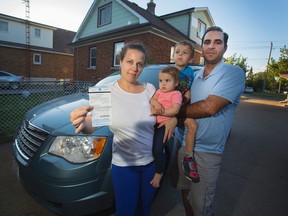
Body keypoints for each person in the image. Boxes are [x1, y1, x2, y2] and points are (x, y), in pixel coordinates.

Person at [161, 26, 246, 216]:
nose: (211, 46)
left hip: (207, 152)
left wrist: (174, 114)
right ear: (201, 46)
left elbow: (209, 107)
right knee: (185, 193)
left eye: (217, 42)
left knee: (201, 206)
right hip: (182, 145)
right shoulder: (195, 76)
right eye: (207, 42)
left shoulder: (233, 73)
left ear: (225, 47)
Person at [70, 42, 158, 216]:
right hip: (124, 167)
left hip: (150, 164)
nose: (135, 68)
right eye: (130, 61)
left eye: (140, 64)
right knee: (126, 211)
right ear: (120, 61)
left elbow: (163, 115)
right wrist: (81, 122)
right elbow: (91, 125)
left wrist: (170, 121)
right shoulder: (106, 92)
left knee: (145, 208)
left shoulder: (150, 89)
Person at [151, 40, 200, 186]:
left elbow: (190, 86)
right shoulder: (169, 72)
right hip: (167, 109)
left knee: (192, 125)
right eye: (178, 52)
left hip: (180, 105)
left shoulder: (191, 72)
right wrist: (156, 103)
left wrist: (189, 92)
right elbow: (158, 92)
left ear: (190, 59)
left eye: (185, 53)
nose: (180, 55)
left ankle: (189, 157)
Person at [150, 66, 182, 188]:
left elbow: (175, 110)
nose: (163, 84)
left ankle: (159, 172)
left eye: (167, 81)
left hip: (164, 125)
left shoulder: (176, 94)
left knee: (158, 149)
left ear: (176, 82)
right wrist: (156, 103)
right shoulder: (158, 92)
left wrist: (159, 112)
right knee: (150, 148)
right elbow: (151, 100)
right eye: (161, 80)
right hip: (153, 123)